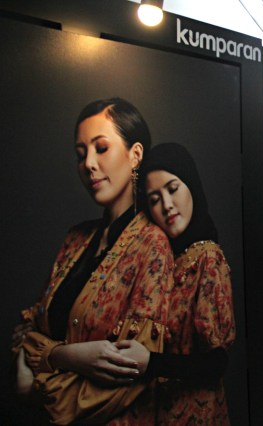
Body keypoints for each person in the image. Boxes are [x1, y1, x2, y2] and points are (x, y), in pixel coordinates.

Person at [12, 98, 174, 424]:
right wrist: (66, 356)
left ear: (136, 155)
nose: (88, 163)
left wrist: (34, 384)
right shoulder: (75, 239)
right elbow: (27, 329)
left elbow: (127, 377)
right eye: (80, 154)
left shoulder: (152, 245)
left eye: (101, 148)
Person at [134, 143, 236, 424]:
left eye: (173, 188)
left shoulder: (207, 258)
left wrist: (150, 363)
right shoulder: (161, 258)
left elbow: (217, 363)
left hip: (194, 413)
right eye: (154, 198)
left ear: (191, 185)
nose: (166, 205)